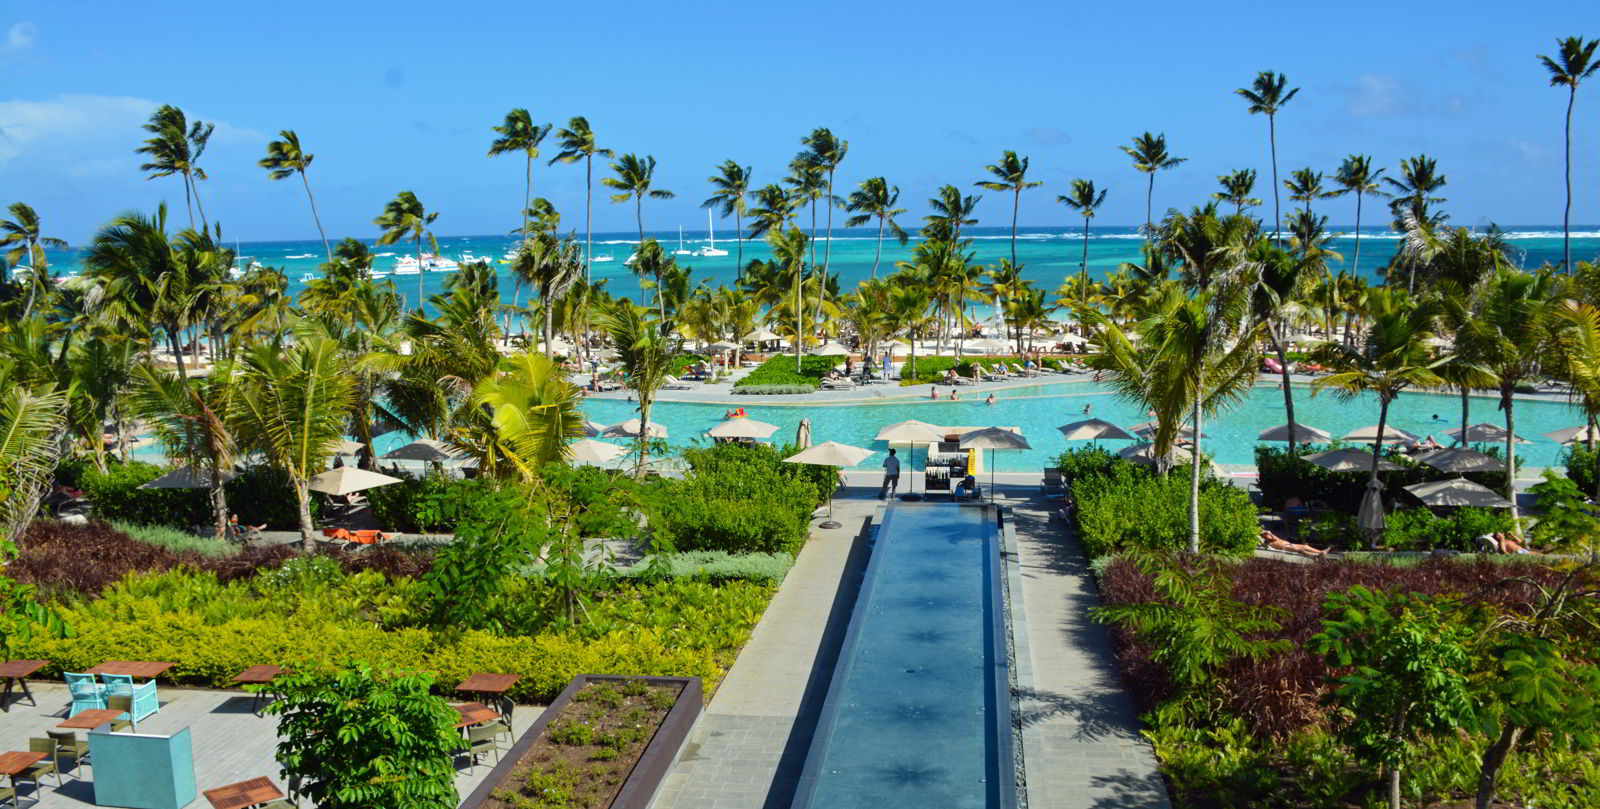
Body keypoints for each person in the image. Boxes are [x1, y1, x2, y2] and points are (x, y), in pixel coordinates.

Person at [1260, 529, 1329, 557]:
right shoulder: (1266, 540)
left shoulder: (1269, 537)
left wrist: (1269, 533)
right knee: (1300, 551)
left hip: (1289, 544)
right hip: (1285, 547)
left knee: (1305, 546)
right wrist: (1270, 533)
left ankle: (1321, 551)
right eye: (1265, 534)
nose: (1267, 534)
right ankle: (1317, 555)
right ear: (1263, 536)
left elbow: (1275, 538)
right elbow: (1276, 539)